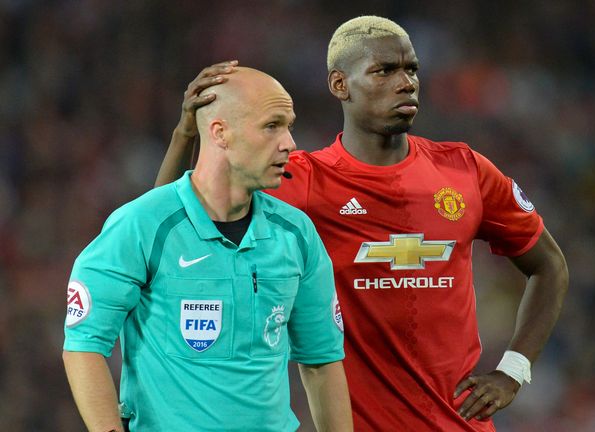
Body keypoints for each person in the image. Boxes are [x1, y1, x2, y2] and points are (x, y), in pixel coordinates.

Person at [159, 16, 569, 431]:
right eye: (384, 71)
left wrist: (514, 370)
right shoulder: (300, 180)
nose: (406, 82)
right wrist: (185, 134)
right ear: (340, 85)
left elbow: (549, 265)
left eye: (411, 69)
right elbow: (169, 229)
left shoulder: (465, 171)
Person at [63, 67, 352, 432]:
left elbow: (321, 361)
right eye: (272, 126)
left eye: (289, 126)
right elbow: (84, 346)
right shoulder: (141, 226)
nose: (290, 143)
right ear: (220, 132)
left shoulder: (296, 233)